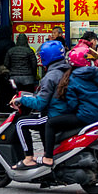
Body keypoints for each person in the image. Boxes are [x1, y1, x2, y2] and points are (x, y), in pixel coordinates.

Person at [37, 58, 98, 167]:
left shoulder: (72, 79)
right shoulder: (94, 74)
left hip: (86, 115)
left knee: (50, 123)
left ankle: (48, 157)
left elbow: (72, 104)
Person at [12, 40, 70, 170]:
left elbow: (40, 103)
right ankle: (46, 153)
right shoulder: (65, 70)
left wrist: (21, 100)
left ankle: (28, 158)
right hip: (64, 112)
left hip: (54, 113)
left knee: (21, 123)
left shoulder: (50, 76)